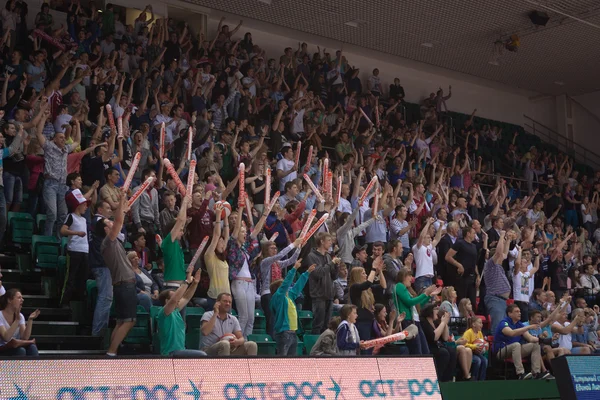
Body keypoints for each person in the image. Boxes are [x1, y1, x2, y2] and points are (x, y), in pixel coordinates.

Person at [97, 194, 137, 356]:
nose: (112, 222)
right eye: (108, 222)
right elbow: (119, 221)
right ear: (106, 229)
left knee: (122, 321)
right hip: (124, 284)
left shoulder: (111, 243)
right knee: (129, 321)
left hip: (122, 284)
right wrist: (121, 202)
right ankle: (112, 352)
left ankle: (111, 351)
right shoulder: (108, 241)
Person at [157, 267, 207, 356]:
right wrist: (186, 282)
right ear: (166, 301)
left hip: (180, 351)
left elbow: (186, 297)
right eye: (174, 297)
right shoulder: (164, 313)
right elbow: (174, 300)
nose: (178, 299)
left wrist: (195, 283)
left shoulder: (176, 311)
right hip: (170, 353)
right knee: (202, 355)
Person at [270, 260, 315, 355]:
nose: (288, 287)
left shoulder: (289, 296)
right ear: (279, 289)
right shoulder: (278, 297)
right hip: (283, 333)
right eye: (285, 287)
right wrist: (294, 269)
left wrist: (307, 273)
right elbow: (286, 283)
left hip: (293, 333)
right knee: (282, 361)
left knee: (291, 362)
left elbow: (298, 287)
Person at [392, 268, 442, 355]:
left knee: (425, 351)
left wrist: (429, 296)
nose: (412, 278)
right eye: (410, 275)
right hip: (407, 321)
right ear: (404, 276)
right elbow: (410, 302)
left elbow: (418, 305)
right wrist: (425, 294)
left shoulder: (407, 290)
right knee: (417, 352)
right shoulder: (399, 286)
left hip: (415, 321)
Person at [494, 304, 549, 380]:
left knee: (535, 345)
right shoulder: (504, 323)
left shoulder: (519, 324)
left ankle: (536, 373)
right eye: (516, 311)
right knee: (516, 345)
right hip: (502, 351)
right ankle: (521, 373)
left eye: (520, 311)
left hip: (516, 351)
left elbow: (530, 338)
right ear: (510, 314)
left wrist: (542, 338)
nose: (519, 313)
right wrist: (529, 327)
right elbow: (511, 333)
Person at [260, 238, 302, 336]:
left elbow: (291, 261)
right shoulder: (265, 262)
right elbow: (280, 255)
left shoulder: (277, 263)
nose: (275, 250)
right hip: (267, 294)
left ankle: (277, 340)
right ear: (266, 250)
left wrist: (299, 247)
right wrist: (293, 244)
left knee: (278, 318)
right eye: (272, 248)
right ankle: (271, 339)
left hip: (277, 295)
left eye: (275, 248)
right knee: (271, 319)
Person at [304, 232, 343, 334]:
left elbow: (333, 276)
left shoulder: (328, 256)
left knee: (327, 325)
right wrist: (331, 263)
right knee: (318, 324)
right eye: (329, 240)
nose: (331, 242)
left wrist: (336, 266)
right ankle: (315, 346)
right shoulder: (311, 256)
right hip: (318, 295)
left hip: (329, 294)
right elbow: (318, 273)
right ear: (321, 241)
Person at [59, 189, 91, 308]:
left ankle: (78, 301)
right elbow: (62, 230)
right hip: (74, 250)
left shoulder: (84, 219)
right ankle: (64, 301)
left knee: (82, 277)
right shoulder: (71, 216)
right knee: (70, 277)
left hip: (84, 251)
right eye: (84, 205)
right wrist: (76, 233)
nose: (86, 207)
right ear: (78, 205)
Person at [348, 260, 386, 352]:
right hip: (361, 323)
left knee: (371, 348)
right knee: (365, 349)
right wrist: (373, 268)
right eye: (363, 273)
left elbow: (383, 286)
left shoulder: (367, 289)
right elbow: (368, 283)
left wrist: (380, 271)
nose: (365, 275)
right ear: (357, 276)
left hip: (370, 322)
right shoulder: (354, 288)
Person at [420, 304, 457, 382]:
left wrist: (445, 323)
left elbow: (445, 338)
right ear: (430, 311)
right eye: (436, 309)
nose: (438, 311)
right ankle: (438, 379)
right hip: (428, 347)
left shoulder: (436, 322)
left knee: (452, 351)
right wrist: (443, 323)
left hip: (438, 346)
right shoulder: (423, 321)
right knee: (444, 353)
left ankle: (448, 379)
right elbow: (434, 337)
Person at [445, 226, 479, 307]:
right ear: (468, 234)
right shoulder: (460, 243)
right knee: (462, 300)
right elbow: (448, 256)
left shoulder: (474, 246)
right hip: (462, 276)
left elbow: (474, 262)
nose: (475, 235)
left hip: (472, 277)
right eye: (473, 233)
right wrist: (459, 265)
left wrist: (477, 275)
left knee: (472, 302)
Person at [0, 289, 40, 356]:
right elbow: (6, 338)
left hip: (16, 345)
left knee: (32, 347)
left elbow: (24, 337)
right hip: (3, 348)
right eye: (19, 298)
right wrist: (17, 320)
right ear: (9, 300)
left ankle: (36, 366)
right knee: (21, 351)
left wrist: (30, 320)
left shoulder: (20, 316)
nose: (22, 300)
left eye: (22, 297)